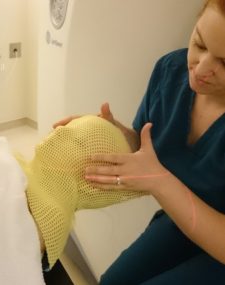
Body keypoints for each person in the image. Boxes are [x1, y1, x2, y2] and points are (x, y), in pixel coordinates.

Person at [54, 0, 225, 284]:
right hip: (181, 223)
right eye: (200, 44)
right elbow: (145, 148)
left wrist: (159, 181)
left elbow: (155, 175)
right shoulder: (170, 70)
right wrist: (112, 132)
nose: (201, 68)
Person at [0, 109, 145, 283]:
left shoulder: (40, 220)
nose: (61, 131)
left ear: (94, 184)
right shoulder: (8, 162)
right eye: (72, 128)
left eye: (78, 141)